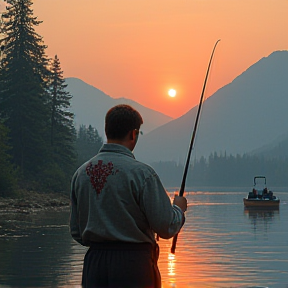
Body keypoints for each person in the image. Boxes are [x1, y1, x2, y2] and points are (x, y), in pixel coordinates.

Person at [70, 104, 187, 288]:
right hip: (134, 265)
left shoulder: (81, 174)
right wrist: (179, 209)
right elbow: (166, 227)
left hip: (94, 265)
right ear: (133, 134)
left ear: (107, 130)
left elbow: (76, 231)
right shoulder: (142, 174)